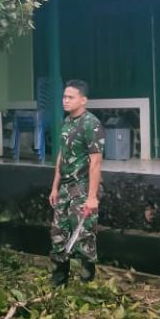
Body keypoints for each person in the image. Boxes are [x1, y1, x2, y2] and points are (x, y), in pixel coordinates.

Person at [48, 79, 104, 285]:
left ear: (83, 100)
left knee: (84, 236)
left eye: (70, 97)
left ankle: (87, 283)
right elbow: (61, 157)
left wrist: (91, 198)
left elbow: (96, 162)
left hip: (82, 188)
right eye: (64, 97)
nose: (65, 101)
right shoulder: (66, 122)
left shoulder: (92, 124)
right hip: (64, 188)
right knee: (58, 233)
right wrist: (55, 187)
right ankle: (58, 280)